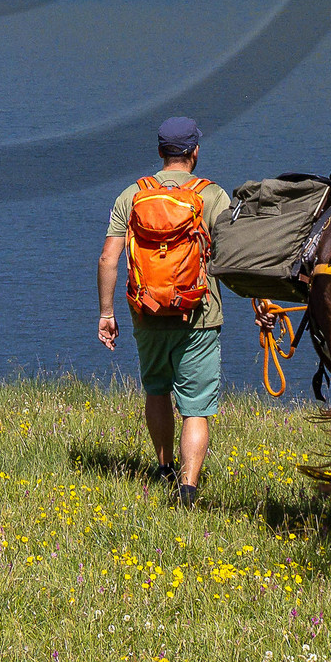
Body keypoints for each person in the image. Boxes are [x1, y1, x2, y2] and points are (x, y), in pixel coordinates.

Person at [97, 116, 230, 508]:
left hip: (147, 312)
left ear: (159, 152)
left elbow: (108, 258)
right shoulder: (213, 196)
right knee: (197, 406)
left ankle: (164, 467)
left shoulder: (131, 195)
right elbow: (238, 257)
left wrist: (106, 313)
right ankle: (187, 489)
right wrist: (261, 302)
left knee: (156, 388)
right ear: (195, 152)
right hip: (200, 314)